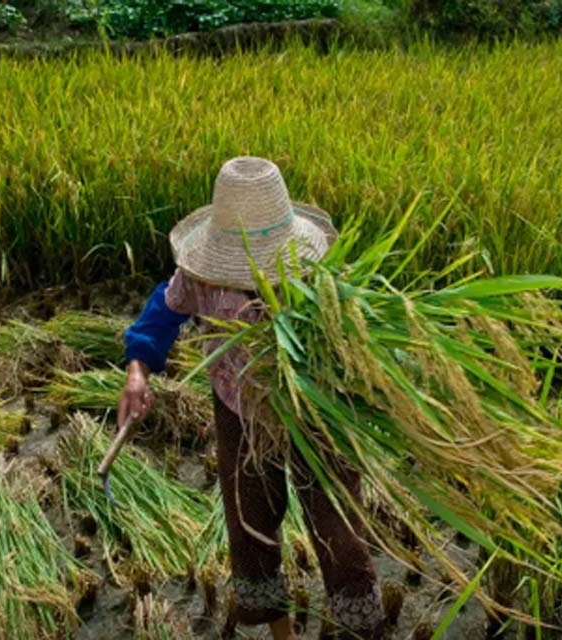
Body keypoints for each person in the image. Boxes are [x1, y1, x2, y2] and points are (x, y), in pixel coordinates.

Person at [119, 156, 384, 639]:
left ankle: (358, 631)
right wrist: (138, 371)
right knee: (250, 528)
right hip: (239, 411)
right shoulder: (200, 277)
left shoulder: (315, 276)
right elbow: (162, 311)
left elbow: (358, 341)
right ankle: (280, 634)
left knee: (340, 535)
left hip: (315, 414)